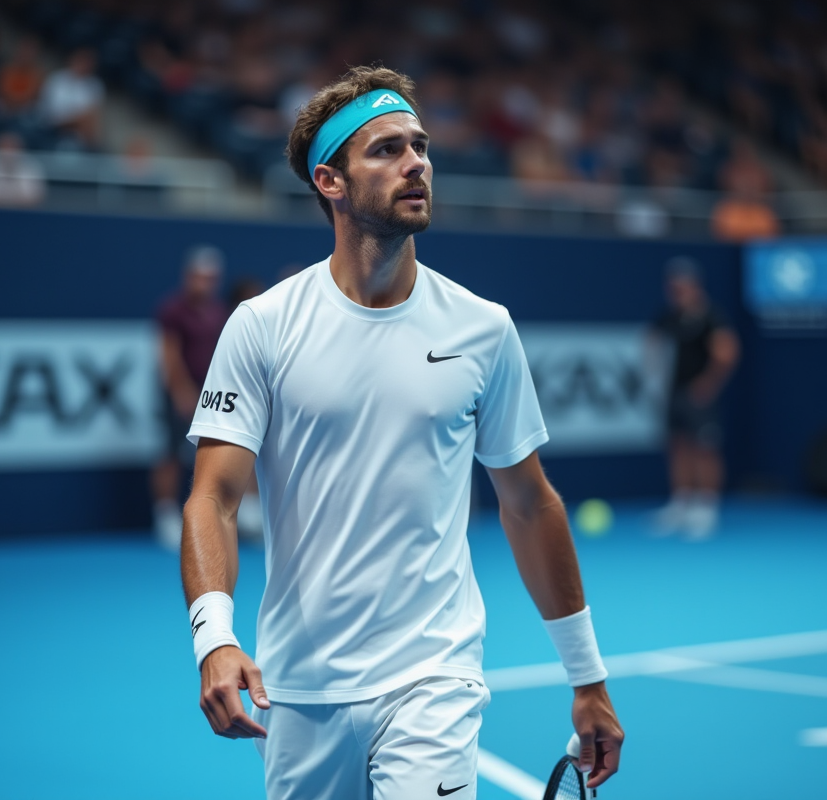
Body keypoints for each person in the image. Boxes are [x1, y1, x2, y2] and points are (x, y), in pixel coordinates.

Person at [180, 65, 623, 799]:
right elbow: (213, 499)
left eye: (420, 146)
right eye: (385, 150)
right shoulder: (261, 327)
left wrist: (587, 676)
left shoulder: (483, 330)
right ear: (331, 181)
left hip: (434, 677)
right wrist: (215, 640)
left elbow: (529, 503)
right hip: (299, 688)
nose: (416, 162)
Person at [649, 258, 740, 540]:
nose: (677, 292)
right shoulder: (671, 316)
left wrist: (709, 384)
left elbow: (728, 352)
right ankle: (682, 503)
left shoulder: (712, 316)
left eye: (682, 286)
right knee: (678, 445)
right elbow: (650, 339)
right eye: (673, 287)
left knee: (705, 448)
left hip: (700, 393)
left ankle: (706, 507)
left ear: (695, 286)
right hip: (676, 391)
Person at [153, 246, 229, 550]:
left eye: (210, 278)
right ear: (188, 277)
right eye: (200, 277)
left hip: (211, 394)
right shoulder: (172, 310)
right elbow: (168, 357)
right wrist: (182, 393)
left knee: (216, 452)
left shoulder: (219, 311)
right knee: (170, 453)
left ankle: (213, 515)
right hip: (179, 393)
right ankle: (165, 516)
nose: (205, 283)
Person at [39, 48, 103, 147]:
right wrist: (76, 118)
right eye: (81, 61)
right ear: (72, 60)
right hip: (52, 127)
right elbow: (52, 113)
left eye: (87, 62)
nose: (83, 65)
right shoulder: (57, 79)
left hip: (79, 131)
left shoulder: (94, 85)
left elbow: (92, 115)